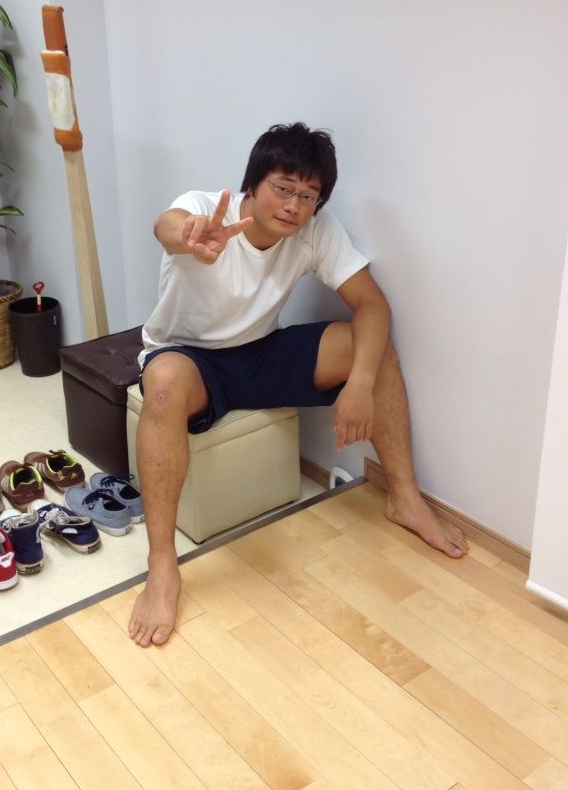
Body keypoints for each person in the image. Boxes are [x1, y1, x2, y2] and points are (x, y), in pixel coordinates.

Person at [129, 122, 468, 648]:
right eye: (283, 188)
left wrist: (360, 383)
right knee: (164, 384)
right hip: (189, 358)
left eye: (308, 196)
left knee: (371, 346)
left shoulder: (316, 228)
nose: (293, 206)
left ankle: (404, 498)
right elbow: (166, 226)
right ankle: (162, 566)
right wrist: (192, 237)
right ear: (252, 183)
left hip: (260, 350)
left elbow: (373, 305)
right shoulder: (204, 209)